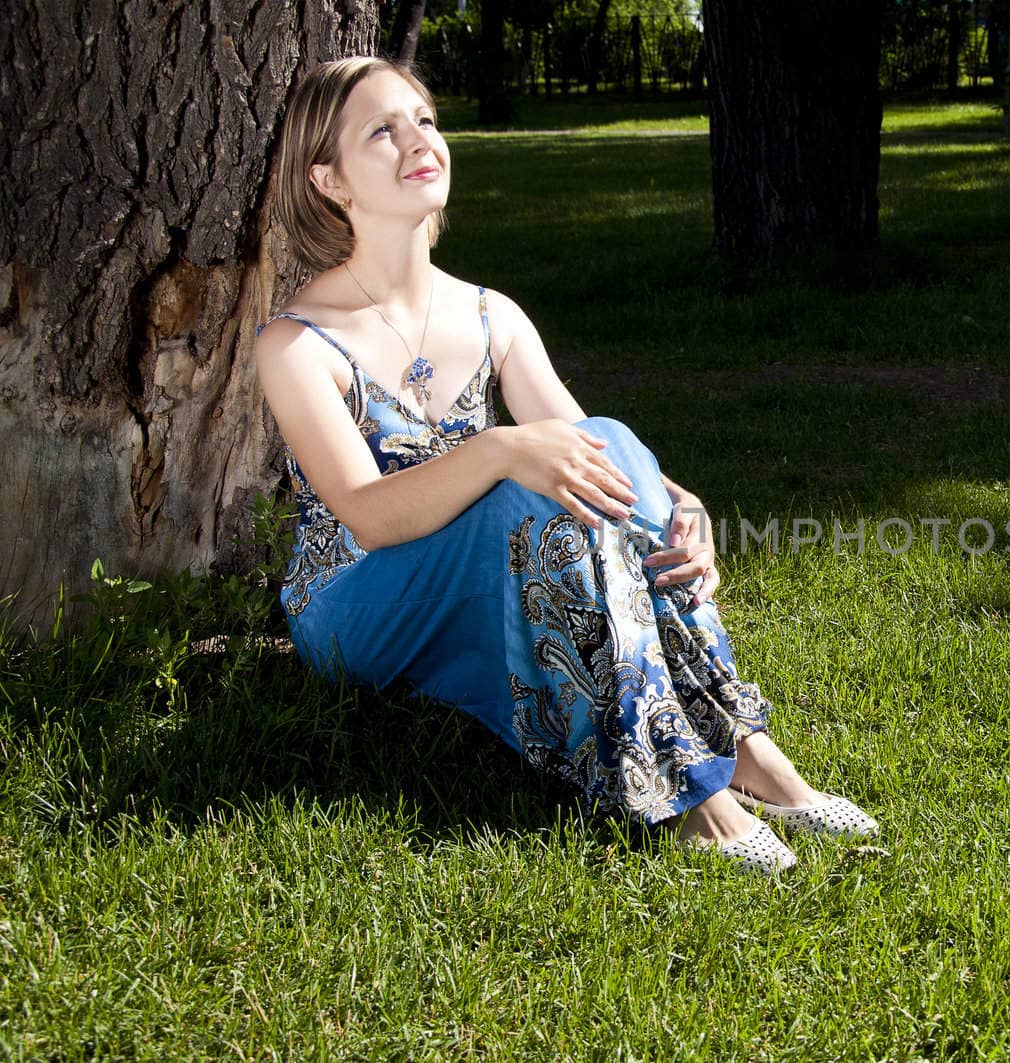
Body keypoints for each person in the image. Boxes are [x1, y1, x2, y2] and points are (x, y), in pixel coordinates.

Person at [253, 57, 878, 875]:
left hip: (472, 567)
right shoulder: (296, 341)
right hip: (358, 601)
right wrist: (502, 447)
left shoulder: (490, 313)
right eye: (383, 130)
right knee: (521, 495)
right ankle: (690, 789)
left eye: (426, 120)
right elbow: (367, 513)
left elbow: (595, 449)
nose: (419, 141)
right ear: (328, 180)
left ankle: (744, 743)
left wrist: (685, 505)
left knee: (610, 443)